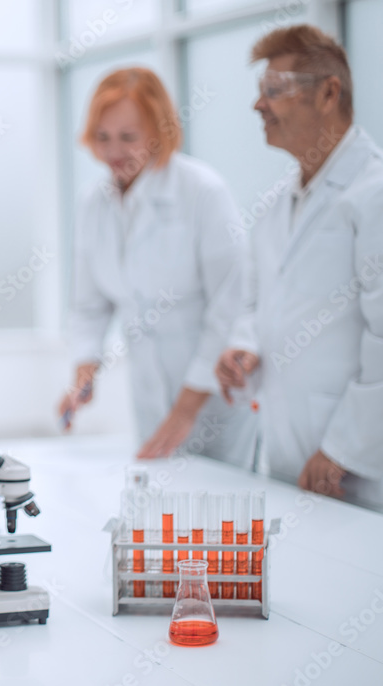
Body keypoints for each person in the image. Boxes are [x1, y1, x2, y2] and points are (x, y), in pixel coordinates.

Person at [216, 25, 383, 510]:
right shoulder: (277, 203)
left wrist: (342, 449)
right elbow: (259, 301)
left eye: (274, 91)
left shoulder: (372, 195)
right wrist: (243, 346)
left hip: (355, 465)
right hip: (289, 451)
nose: (258, 106)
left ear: (329, 93)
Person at [59, 67, 256, 466]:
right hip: (148, 394)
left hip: (214, 397)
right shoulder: (92, 202)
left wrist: (185, 410)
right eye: (103, 137)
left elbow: (232, 305)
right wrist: (84, 371)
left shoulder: (203, 191)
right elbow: (90, 304)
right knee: (164, 514)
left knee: (219, 511)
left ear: (158, 132)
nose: (114, 152)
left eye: (128, 137)